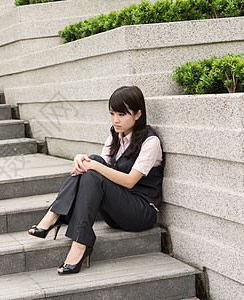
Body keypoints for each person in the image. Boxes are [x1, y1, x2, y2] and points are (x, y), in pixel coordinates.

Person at [28, 86, 164, 275]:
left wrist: (92, 166)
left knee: (94, 167)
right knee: (93, 160)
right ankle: (57, 215)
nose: (115, 120)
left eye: (122, 114)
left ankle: (74, 236)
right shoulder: (116, 135)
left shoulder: (150, 142)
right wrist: (81, 159)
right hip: (117, 211)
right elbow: (99, 166)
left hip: (140, 212)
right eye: (112, 113)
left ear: (138, 114)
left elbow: (130, 181)